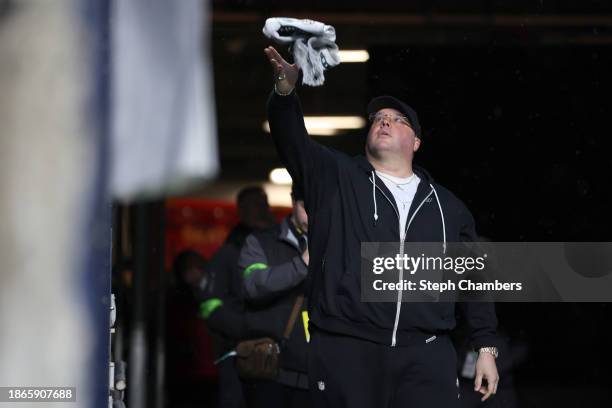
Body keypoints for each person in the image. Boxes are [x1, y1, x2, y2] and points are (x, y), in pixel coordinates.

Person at [263, 45, 500, 408]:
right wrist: (284, 90)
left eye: (397, 119)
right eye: (377, 118)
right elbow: (291, 139)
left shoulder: (449, 207)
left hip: (425, 354)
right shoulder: (336, 178)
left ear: (416, 142)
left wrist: (486, 347)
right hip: (347, 349)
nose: (384, 121)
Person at [201, 186, 276, 408]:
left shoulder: (287, 243)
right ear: (241, 210)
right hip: (239, 351)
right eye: (252, 204)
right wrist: (243, 327)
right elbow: (209, 303)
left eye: (262, 202)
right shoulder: (229, 251)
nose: (259, 209)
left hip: (281, 350)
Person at [237, 185, 311, 408]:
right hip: (273, 375)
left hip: (323, 374)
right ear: (293, 202)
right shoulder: (260, 242)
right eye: (308, 207)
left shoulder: (341, 242)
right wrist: (301, 265)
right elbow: (253, 286)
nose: (315, 214)